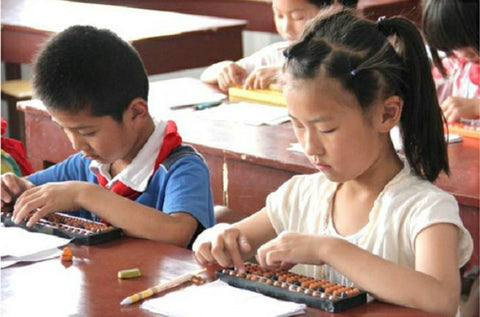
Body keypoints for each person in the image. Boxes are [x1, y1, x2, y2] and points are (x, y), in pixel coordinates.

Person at [193, 9, 473, 315]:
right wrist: (215, 239)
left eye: (327, 129)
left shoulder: (425, 210)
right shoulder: (300, 196)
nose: (310, 146)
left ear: (386, 114)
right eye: (298, 125)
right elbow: (232, 239)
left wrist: (328, 249)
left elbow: (441, 298)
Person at [0, 25, 215, 248]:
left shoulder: (181, 168)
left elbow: (177, 231)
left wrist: (85, 195)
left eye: (88, 132)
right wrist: (14, 190)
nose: (77, 145)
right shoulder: (86, 165)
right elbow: (30, 188)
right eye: (65, 129)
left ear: (136, 113)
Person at [200, 0, 357, 92]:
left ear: (334, 10)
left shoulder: (353, 53)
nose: (286, 27)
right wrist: (225, 69)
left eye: (297, 17)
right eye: (279, 15)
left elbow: (339, 82)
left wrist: (287, 74)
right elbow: (206, 75)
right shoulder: (278, 53)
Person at [423, 0, 480, 123]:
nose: (462, 54)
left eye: (466, 42)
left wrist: (476, 107)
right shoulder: (458, 65)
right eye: (452, 47)